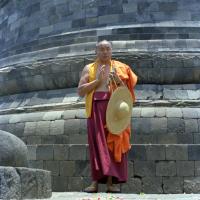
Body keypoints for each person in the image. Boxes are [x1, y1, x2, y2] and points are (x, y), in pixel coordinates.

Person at [77, 40, 137, 193]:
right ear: (96, 52)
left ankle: (111, 183)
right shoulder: (89, 69)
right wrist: (97, 81)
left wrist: (117, 80)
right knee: (97, 145)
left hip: (114, 110)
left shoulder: (121, 68)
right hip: (95, 108)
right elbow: (80, 91)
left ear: (111, 51)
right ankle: (95, 182)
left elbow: (128, 93)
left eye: (107, 49)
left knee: (112, 144)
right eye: (101, 49)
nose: (104, 52)